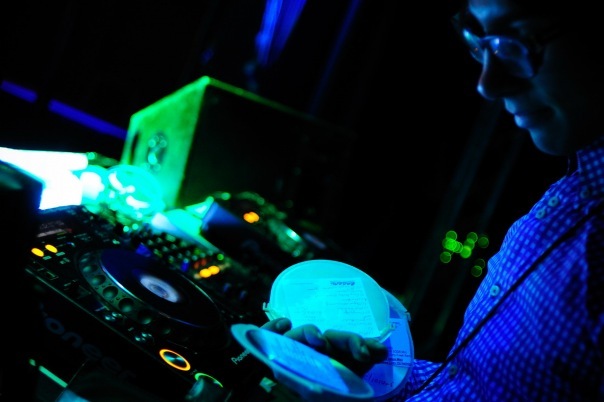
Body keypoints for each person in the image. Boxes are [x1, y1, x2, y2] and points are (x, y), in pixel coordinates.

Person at [262, 0, 604, 399]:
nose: (488, 83)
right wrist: (366, 377)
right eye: (482, 42)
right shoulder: (575, 193)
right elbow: (477, 386)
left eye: (517, 41)